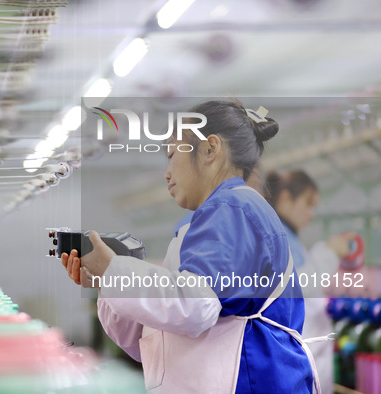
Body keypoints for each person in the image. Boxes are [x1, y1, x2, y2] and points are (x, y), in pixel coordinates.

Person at [61, 99, 318, 393]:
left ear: (210, 150)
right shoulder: (206, 221)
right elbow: (154, 338)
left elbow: (196, 306)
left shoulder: (234, 207)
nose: (167, 172)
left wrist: (115, 272)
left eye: (172, 154)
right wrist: (106, 279)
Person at [265, 170, 355, 394]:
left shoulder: (288, 237)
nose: (311, 214)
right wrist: (329, 253)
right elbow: (302, 286)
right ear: (286, 198)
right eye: (308, 203)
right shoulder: (278, 238)